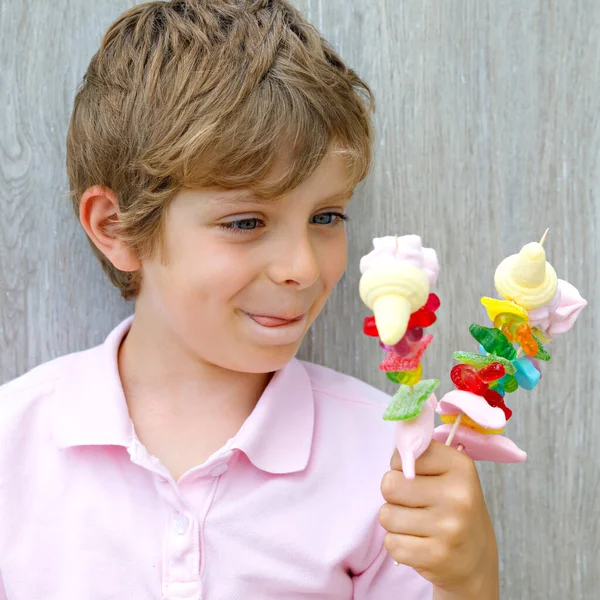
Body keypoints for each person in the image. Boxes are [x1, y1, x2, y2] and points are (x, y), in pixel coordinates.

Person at [0, 1, 499, 598]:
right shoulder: (13, 448)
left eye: (326, 216)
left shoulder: (393, 459)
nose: (303, 267)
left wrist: (469, 580)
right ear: (117, 228)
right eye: (244, 222)